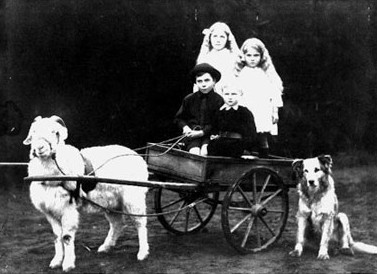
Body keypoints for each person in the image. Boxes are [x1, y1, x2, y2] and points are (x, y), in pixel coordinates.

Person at [236, 38, 284, 158]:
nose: (252, 58)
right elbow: (236, 92)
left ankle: (264, 157)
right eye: (249, 55)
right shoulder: (241, 73)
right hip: (246, 108)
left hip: (263, 109)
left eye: (256, 55)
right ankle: (247, 156)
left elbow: (275, 93)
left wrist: (275, 111)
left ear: (261, 56)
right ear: (243, 56)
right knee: (247, 133)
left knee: (262, 135)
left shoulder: (267, 73)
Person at [174, 63, 224, 156]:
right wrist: (185, 127)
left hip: (209, 136)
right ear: (195, 83)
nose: (203, 84)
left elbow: (218, 123)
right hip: (192, 135)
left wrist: (202, 132)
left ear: (214, 81)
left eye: (207, 80)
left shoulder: (219, 100)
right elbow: (179, 118)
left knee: (205, 152)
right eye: (199, 81)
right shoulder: (189, 99)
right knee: (194, 153)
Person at [208, 84, 257, 158]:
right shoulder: (220, 112)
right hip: (220, 145)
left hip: (237, 146)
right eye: (227, 94)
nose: (230, 97)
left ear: (240, 95)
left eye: (233, 94)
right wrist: (214, 136)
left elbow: (251, 133)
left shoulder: (244, 112)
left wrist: (246, 150)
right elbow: (214, 128)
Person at [195, 22, 240, 94]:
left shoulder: (232, 57)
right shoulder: (205, 57)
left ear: (227, 39)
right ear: (209, 38)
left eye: (222, 37)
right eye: (215, 36)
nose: (218, 40)